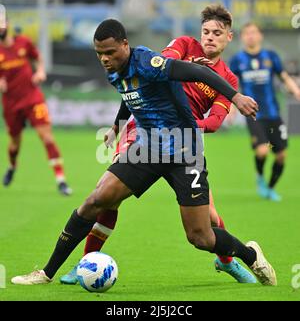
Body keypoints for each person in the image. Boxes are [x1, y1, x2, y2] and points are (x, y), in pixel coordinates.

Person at [11, 19, 276, 287]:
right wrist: (117, 125)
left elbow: (198, 73)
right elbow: (131, 97)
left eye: (110, 52)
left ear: (125, 45)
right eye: (99, 53)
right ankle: (46, 273)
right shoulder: (114, 70)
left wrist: (236, 97)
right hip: (147, 150)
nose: (104, 59)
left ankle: (250, 255)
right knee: (96, 200)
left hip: (184, 150)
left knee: (200, 236)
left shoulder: (149, 64)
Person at [229, 22, 300, 202]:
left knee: (281, 155)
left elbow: (284, 77)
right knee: (262, 151)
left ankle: (270, 188)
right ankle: (260, 177)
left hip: (274, 114)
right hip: (253, 114)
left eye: (254, 32)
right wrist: (230, 109)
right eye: (247, 33)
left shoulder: (271, 56)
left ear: (260, 35)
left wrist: (297, 92)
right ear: (242, 37)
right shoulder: (237, 60)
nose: (250, 36)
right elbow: (231, 86)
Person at [0, 22, 72, 196]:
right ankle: (12, 166)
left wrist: (40, 71)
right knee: (15, 144)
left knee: (47, 137)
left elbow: (38, 58)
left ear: (7, 24)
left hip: (33, 99)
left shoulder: (24, 42)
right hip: (11, 103)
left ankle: (61, 180)